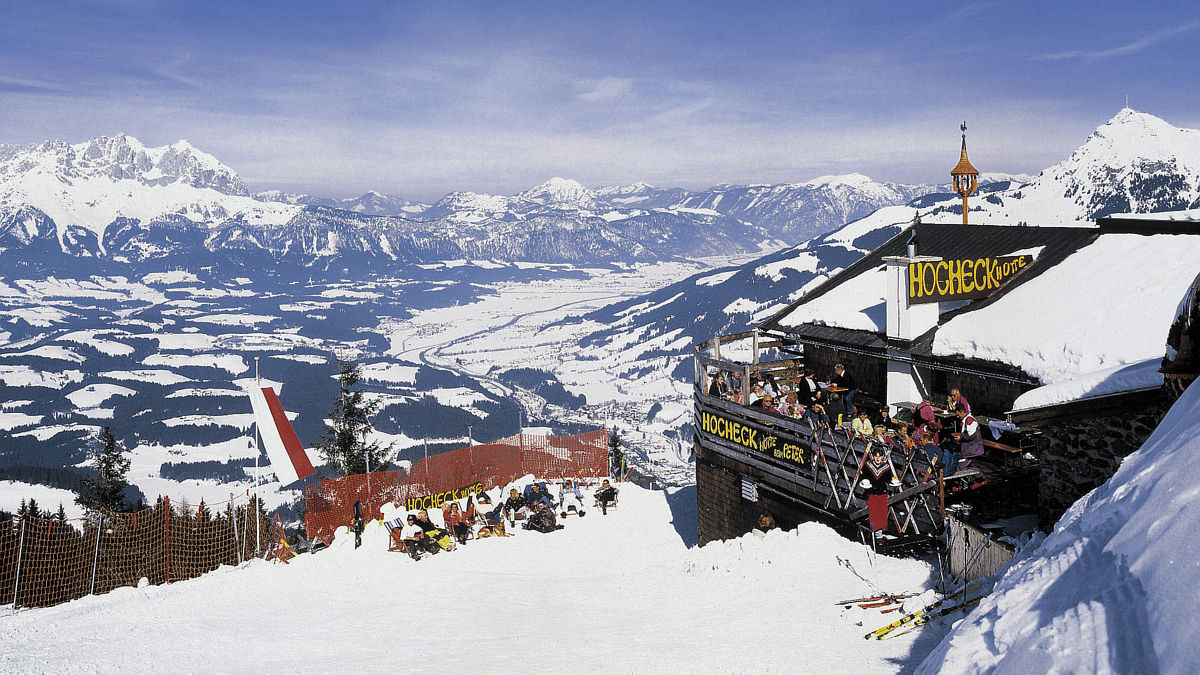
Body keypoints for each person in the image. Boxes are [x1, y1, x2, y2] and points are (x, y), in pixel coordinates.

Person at [858, 446, 893, 536]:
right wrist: (864, 481)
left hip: (882, 493)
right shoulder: (868, 466)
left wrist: (893, 482)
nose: (877, 458)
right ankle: (877, 534)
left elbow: (889, 479)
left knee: (882, 513)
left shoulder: (886, 467)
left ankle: (880, 530)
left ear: (883, 457)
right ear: (873, 456)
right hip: (871, 493)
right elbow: (862, 476)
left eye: (880, 456)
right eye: (876, 456)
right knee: (874, 513)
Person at [952, 403, 984, 468]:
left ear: (962, 412)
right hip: (969, 448)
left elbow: (971, 436)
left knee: (961, 466)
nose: (957, 417)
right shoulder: (966, 420)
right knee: (971, 466)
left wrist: (961, 437)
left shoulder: (969, 420)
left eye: (958, 415)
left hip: (972, 449)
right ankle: (979, 475)